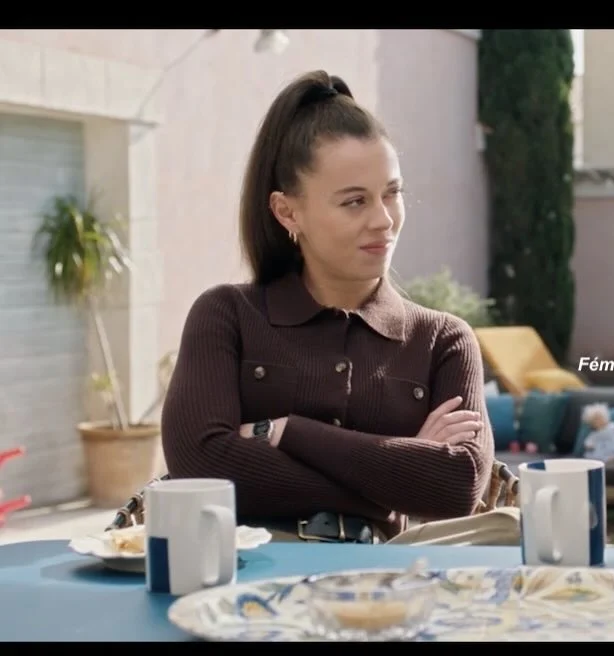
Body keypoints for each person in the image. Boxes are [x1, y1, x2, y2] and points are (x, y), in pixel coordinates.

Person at [160, 70, 494, 543]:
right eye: (354, 201)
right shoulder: (226, 316)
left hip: (383, 582)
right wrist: (397, 478)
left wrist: (286, 432)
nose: (384, 220)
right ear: (288, 212)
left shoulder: (443, 340)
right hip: (250, 576)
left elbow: (458, 485)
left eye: (392, 193)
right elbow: (200, 466)